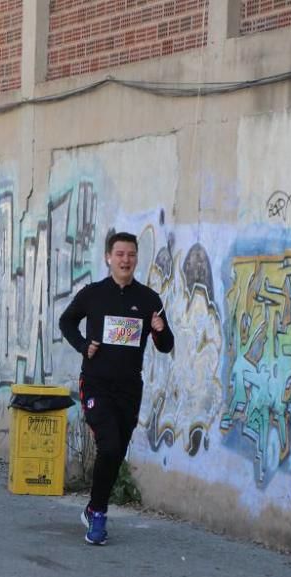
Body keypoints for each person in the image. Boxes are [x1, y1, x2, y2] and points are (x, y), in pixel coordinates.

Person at [59, 231, 174, 545]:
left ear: (137, 259)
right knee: (108, 446)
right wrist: (84, 346)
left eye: (131, 255)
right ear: (108, 258)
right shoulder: (93, 294)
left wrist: (160, 331)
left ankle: (94, 505)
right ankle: (98, 514)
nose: (126, 260)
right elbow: (66, 322)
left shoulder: (149, 299)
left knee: (116, 452)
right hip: (96, 383)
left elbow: (166, 346)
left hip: (129, 388)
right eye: (120, 254)